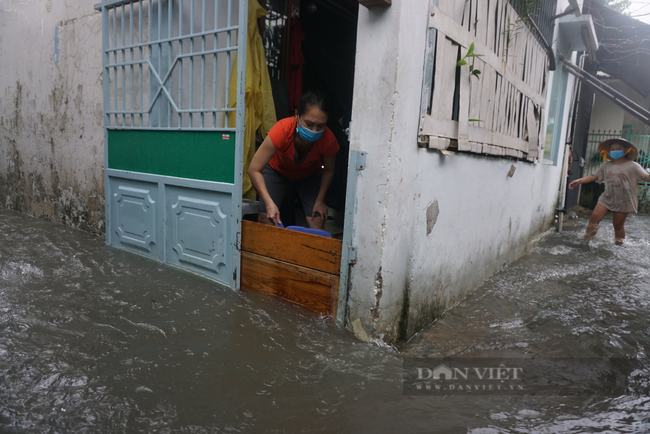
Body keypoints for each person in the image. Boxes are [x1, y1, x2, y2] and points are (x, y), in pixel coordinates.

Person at [248, 92, 340, 230]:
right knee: (267, 217)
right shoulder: (282, 130)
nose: (314, 131)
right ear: (297, 115)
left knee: (317, 218)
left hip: (309, 175)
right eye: (309, 124)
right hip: (276, 171)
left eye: (321, 126)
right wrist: (268, 203)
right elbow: (254, 169)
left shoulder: (328, 139)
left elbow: (329, 169)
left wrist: (320, 200)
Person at [568, 138, 650, 245]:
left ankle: (619, 246)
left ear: (625, 150)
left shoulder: (633, 166)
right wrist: (579, 181)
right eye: (613, 149)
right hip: (607, 197)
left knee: (618, 225)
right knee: (594, 219)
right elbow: (594, 176)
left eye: (618, 149)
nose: (615, 151)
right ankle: (586, 242)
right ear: (609, 151)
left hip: (624, 199)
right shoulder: (607, 165)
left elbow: (646, 177)